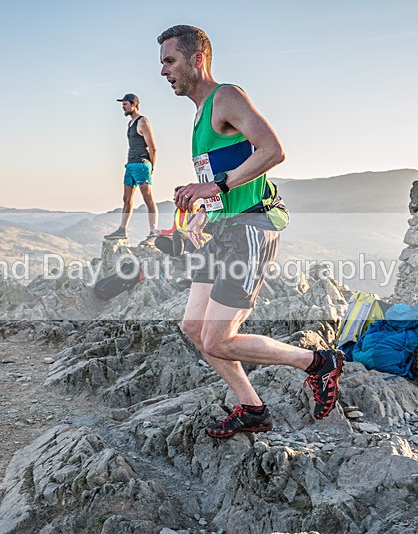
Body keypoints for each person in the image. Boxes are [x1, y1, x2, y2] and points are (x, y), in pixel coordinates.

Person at [157, 25, 344, 438]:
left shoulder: (226, 96)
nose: (164, 71)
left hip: (251, 228)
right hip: (220, 229)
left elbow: (273, 150)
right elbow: (223, 180)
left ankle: (317, 363)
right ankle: (253, 409)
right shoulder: (199, 115)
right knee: (194, 328)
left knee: (219, 339)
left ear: (197, 59)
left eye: (170, 61)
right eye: (162, 63)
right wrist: (202, 209)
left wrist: (217, 184)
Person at [104, 93, 159, 240]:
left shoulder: (143, 122)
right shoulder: (130, 124)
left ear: (134, 104)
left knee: (148, 198)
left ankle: (154, 232)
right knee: (126, 199)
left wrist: (151, 168)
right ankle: (122, 230)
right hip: (130, 164)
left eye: (125, 104)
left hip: (141, 164)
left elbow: (153, 148)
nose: (123, 106)